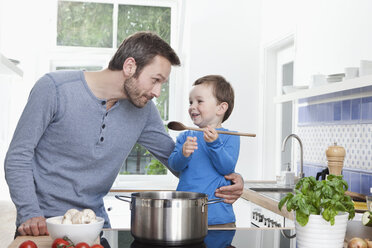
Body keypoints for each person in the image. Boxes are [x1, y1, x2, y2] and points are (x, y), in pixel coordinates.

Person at [5, 31, 244, 237]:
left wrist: (228, 177)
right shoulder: (54, 89)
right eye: (155, 80)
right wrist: (29, 212)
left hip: (95, 227)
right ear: (130, 67)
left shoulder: (143, 111)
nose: (157, 92)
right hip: (42, 225)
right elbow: (18, 156)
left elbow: (178, 160)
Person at [168, 75, 239, 227]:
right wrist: (183, 154)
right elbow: (174, 164)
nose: (192, 106)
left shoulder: (230, 137)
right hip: (184, 216)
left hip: (218, 218)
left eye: (199, 101)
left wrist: (215, 145)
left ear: (221, 108)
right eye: (191, 102)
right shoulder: (185, 136)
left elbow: (226, 169)